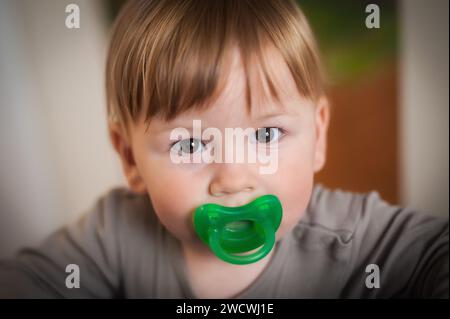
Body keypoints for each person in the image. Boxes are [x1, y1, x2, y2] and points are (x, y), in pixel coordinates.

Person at [0, 0, 448, 298]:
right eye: (191, 143)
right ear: (130, 158)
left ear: (319, 135)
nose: (233, 178)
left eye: (267, 136)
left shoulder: (351, 240)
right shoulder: (114, 236)